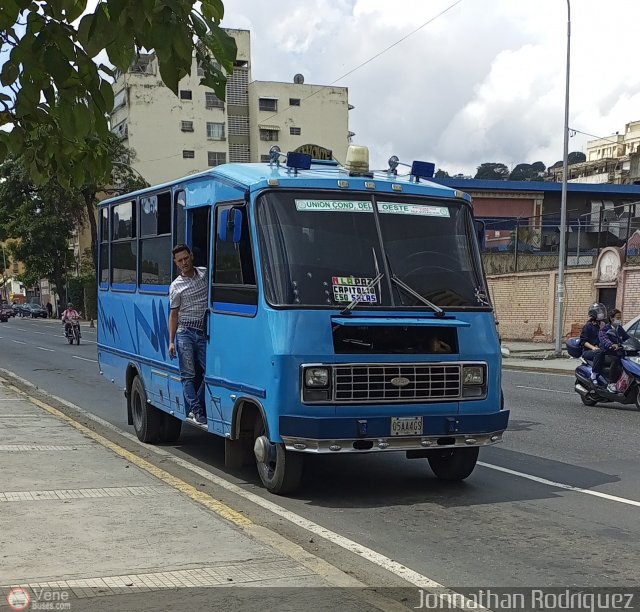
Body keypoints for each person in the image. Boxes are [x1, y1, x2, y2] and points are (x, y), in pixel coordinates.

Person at [169, 244, 208, 426]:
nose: (184, 262)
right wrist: (171, 341)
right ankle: (197, 410)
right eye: (180, 260)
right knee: (188, 375)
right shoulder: (176, 286)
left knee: (209, 373)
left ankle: (196, 404)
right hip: (185, 332)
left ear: (191, 256)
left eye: (186, 258)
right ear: (176, 263)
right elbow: (174, 315)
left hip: (203, 331)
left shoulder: (205, 274)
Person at [597, 308, 630, 391]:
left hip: (618, 352)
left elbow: (627, 338)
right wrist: (612, 345)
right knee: (616, 360)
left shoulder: (619, 328)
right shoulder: (605, 329)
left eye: (620, 318)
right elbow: (604, 340)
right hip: (607, 353)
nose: (619, 320)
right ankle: (611, 383)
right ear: (612, 319)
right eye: (618, 318)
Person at [580, 302, 606, 385]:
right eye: (599, 311)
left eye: (601, 311)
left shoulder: (603, 325)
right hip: (588, 351)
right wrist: (593, 348)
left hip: (600, 348)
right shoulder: (588, 326)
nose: (601, 313)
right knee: (599, 352)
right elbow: (583, 341)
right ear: (593, 314)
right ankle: (593, 375)